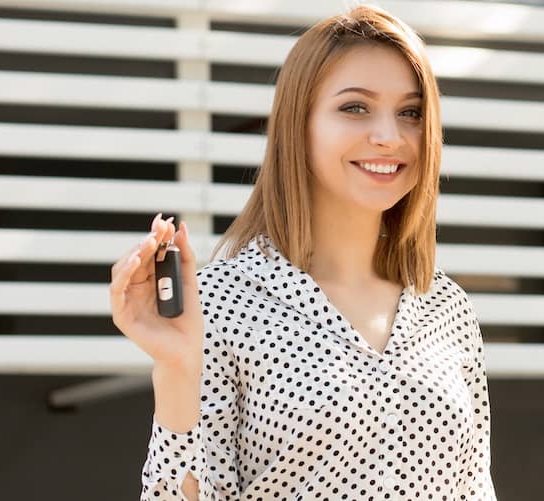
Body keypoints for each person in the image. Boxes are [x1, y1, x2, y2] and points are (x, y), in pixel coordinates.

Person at [109, 5, 496, 500]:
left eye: (411, 113)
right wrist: (177, 370)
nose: (389, 136)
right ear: (299, 125)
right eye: (355, 107)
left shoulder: (446, 306)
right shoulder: (221, 304)